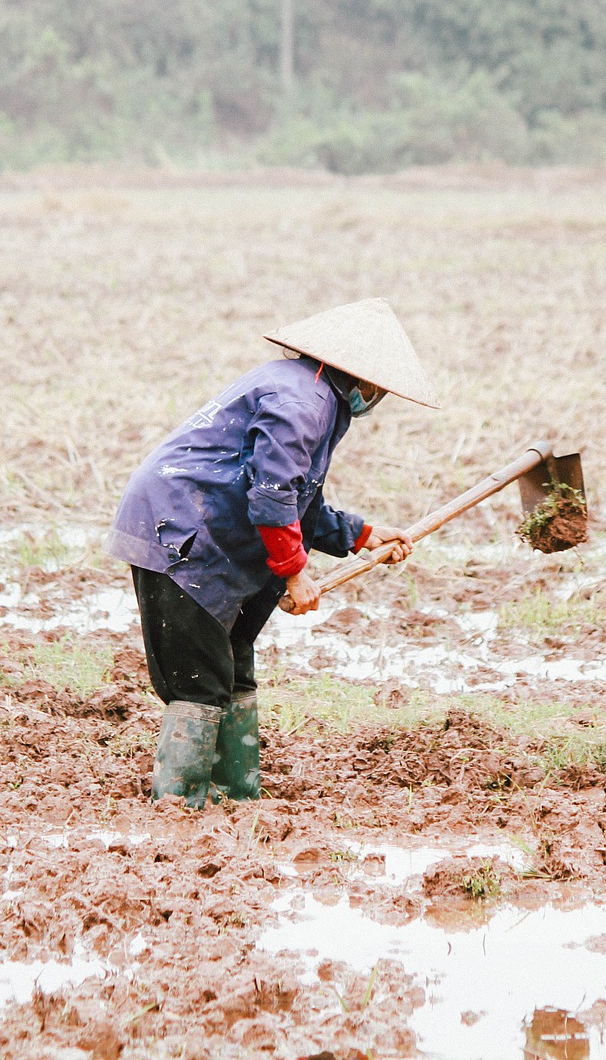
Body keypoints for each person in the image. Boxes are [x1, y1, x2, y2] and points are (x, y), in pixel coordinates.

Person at [105, 298, 438, 806]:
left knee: (233, 667)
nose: (379, 398)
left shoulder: (310, 393)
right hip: (181, 530)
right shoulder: (302, 403)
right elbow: (273, 494)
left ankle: (237, 797)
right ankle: (178, 808)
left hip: (217, 532)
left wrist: (362, 533)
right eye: (381, 389)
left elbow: (299, 499)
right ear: (364, 380)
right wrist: (294, 572)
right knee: (197, 681)